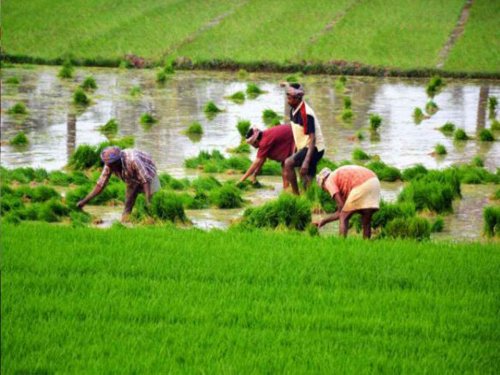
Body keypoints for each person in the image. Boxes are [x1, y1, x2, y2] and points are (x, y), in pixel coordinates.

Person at [77, 146, 160, 222]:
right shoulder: (109, 165)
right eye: (107, 164)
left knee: (153, 199)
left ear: (118, 161)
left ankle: (154, 218)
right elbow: (100, 185)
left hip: (147, 170)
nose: (109, 167)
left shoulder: (133, 160)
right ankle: (125, 220)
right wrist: (84, 201)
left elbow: (145, 180)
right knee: (128, 200)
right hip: (130, 176)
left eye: (111, 165)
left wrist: (148, 202)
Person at [313, 165, 380, 238]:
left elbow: (341, 209)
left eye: (324, 189)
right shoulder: (340, 178)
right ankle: (367, 245)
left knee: (343, 217)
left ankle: (342, 244)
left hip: (362, 184)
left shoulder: (329, 181)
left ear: (323, 183)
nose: (327, 191)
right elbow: (340, 211)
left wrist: (343, 214)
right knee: (366, 220)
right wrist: (324, 221)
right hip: (374, 181)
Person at [283, 83, 325, 194]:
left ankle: (296, 196)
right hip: (305, 146)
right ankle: (310, 198)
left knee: (288, 163)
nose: (288, 100)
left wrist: (306, 161)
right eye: (287, 96)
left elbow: (313, 138)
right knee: (306, 180)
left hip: (314, 148)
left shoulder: (306, 114)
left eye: (290, 97)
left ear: (298, 98)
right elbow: (298, 133)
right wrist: (295, 152)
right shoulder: (293, 110)